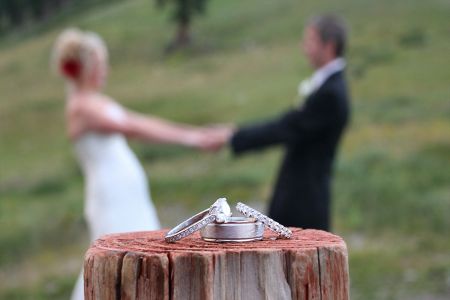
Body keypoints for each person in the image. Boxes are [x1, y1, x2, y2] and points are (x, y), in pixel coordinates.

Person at [51, 28, 215, 300]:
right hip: (111, 197)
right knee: (119, 260)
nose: (106, 70)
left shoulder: (98, 101)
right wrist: (192, 139)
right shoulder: (81, 107)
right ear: (87, 67)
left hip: (128, 194)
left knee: (141, 255)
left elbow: (141, 120)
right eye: (101, 64)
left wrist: (195, 133)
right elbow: (133, 127)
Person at [209, 14, 350, 231]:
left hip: (304, 199)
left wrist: (234, 136)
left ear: (329, 45)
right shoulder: (328, 86)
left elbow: (285, 128)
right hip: (300, 192)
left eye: (310, 41)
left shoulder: (330, 93)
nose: (305, 48)